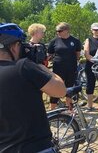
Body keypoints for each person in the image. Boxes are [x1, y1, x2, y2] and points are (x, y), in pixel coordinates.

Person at [0, 23, 66, 152]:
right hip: (35, 147)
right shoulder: (24, 67)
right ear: (14, 46)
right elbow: (60, 90)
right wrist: (40, 66)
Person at [47, 22, 82, 110]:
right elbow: (49, 55)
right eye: (56, 31)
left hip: (71, 68)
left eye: (59, 31)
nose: (57, 32)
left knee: (70, 88)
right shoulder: (54, 41)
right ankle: (53, 110)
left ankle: (69, 110)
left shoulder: (75, 41)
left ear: (66, 30)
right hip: (58, 68)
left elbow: (78, 54)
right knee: (55, 88)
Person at [83, 22, 98, 111]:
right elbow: (86, 54)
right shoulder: (89, 40)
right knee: (90, 84)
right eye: (95, 30)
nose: (97, 32)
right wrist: (95, 61)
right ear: (92, 30)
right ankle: (90, 105)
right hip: (91, 65)